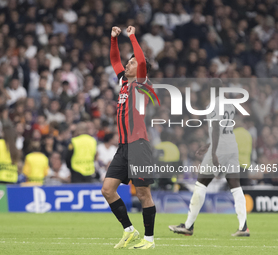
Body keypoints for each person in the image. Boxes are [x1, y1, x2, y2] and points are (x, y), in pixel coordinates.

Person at [169, 79, 249, 237]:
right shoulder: (230, 104)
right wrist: (208, 145)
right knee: (235, 186)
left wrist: (213, 152)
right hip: (232, 147)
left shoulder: (212, 105)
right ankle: (243, 227)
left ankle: (188, 226)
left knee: (201, 183)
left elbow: (217, 126)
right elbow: (224, 128)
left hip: (220, 148)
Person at [101, 26, 156, 250]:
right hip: (124, 147)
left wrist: (132, 36)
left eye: (131, 62)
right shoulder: (124, 81)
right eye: (128, 62)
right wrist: (114, 39)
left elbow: (141, 61)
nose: (127, 64)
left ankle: (150, 241)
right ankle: (129, 231)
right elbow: (115, 60)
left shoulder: (142, 83)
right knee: (107, 189)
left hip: (139, 145)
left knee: (143, 193)